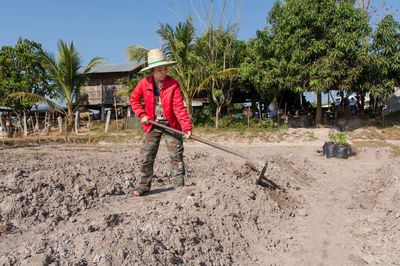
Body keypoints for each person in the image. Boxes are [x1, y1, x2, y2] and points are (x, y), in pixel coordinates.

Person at [130, 49, 192, 196]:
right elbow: (134, 100)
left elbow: (178, 108)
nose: (164, 72)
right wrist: (142, 114)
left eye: (165, 69)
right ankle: (144, 186)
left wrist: (186, 127)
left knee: (176, 156)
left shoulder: (173, 85)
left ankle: (179, 188)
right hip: (152, 124)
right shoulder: (144, 84)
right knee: (146, 156)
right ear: (152, 71)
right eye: (160, 70)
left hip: (171, 125)